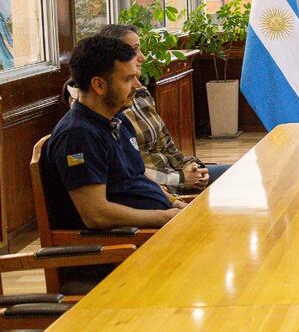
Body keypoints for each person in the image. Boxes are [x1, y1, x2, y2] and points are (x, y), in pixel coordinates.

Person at [41, 36, 183, 230]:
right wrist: (164, 218)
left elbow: (137, 176)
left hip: (158, 227)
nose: (138, 85)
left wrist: (174, 201)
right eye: (128, 79)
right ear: (99, 85)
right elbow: (97, 215)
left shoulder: (118, 118)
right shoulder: (78, 136)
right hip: (128, 243)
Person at [96, 24, 229, 193]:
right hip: (162, 187)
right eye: (134, 50)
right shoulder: (109, 112)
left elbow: (167, 145)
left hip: (178, 175)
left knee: (245, 174)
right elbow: (132, 172)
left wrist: (194, 168)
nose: (142, 57)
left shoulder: (142, 94)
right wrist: (180, 180)